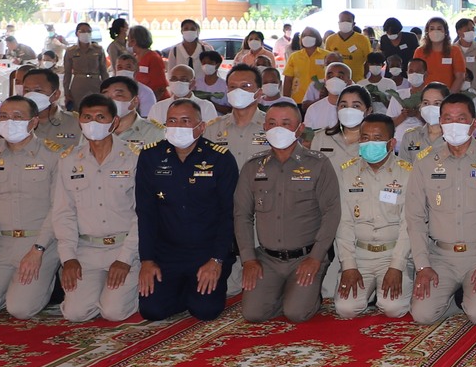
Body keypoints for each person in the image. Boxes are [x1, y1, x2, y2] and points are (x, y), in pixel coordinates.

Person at [407, 93, 476, 326]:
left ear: (474, 124)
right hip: (440, 257)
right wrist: (423, 266)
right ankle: (456, 299)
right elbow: (415, 218)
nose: (454, 124)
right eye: (447, 119)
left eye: (461, 118)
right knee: (422, 315)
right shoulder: (425, 162)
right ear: (440, 123)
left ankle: (469, 298)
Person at [233, 102, 340, 323]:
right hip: (267, 259)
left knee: (296, 313)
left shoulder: (318, 164)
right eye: (272, 123)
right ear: (264, 127)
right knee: (253, 314)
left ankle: (304, 294)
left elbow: (331, 213)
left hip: (305, 257)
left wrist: (316, 258)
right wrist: (248, 259)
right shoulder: (253, 166)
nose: (278, 129)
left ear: (300, 129)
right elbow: (242, 215)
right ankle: (284, 291)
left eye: (285, 123)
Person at [0, 96, 67, 319]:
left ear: (34, 122)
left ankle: (43, 285)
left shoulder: (53, 154)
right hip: (1, 243)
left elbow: (58, 207)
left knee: (20, 309)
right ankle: (13, 288)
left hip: (41, 242)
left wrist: (38, 249)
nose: (9, 121)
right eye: (4, 116)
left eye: (17, 117)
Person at [136, 100, 240, 321]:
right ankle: (182, 287)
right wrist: (147, 260)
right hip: (166, 253)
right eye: (172, 121)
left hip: (206, 252)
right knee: (152, 311)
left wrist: (217, 260)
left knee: (205, 311)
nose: (178, 126)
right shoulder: (150, 156)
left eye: (185, 121)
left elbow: (229, 214)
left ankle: (193, 289)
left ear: (201, 127)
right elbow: (146, 213)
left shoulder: (220, 158)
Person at [46, 94, 143, 323]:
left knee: (113, 312)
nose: (93, 123)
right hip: (86, 250)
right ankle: (100, 293)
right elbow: (63, 212)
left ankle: (128, 290)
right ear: (79, 121)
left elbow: (143, 214)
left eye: (101, 117)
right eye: (87, 117)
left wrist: (125, 259)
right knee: (75, 313)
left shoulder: (134, 158)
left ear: (114, 122)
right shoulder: (69, 160)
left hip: (124, 247)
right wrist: (68, 258)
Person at [331, 113, 413, 320]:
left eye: (377, 138)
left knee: (393, 308)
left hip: (392, 253)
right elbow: (344, 223)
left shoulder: (407, 173)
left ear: (391, 143)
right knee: (346, 309)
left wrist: (396, 266)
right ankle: (371, 291)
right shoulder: (347, 173)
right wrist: (349, 265)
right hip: (361, 255)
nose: (370, 143)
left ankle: (384, 292)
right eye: (365, 138)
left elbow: (408, 225)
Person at [205, 65, 271, 165]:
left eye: (245, 86)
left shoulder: (272, 126)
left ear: (259, 93)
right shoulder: (212, 129)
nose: (238, 91)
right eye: (232, 86)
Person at [102, 74, 164, 148]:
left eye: (118, 95)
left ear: (135, 101)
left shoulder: (156, 133)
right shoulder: (95, 131)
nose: (110, 101)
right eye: (105, 96)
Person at [60, 20, 107, 111]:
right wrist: (66, 91)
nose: (86, 33)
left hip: (95, 83)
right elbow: (67, 73)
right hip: (79, 83)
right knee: (78, 109)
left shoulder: (98, 49)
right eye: (82, 31)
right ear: (77, 33)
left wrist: (107, 87)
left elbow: (104, 70)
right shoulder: (71, 51)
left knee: (97, 107)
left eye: (88, 31)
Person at [281, 27, 328, 103]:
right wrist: (286, 100)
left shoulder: (327, 55)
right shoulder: (294, 57)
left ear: (317, 37)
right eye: (304, 35)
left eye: (310, 35)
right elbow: (288, 80)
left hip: (320, 99)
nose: (307, 37)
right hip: (298, 99)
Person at [324, 11, 374, 80]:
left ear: (353, 24)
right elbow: (326, 61)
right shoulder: (330, 39)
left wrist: (364, 75)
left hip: (357, 80)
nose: (345, 23)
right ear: (338, 23)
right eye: (342, 21)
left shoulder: (363, 39)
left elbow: (369, 60)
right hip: (335, 81)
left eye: (348, 21)